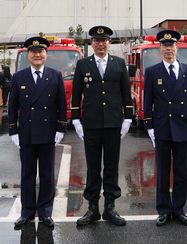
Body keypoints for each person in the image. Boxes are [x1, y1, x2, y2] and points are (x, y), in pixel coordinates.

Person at [71, 26, 133, 226]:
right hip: (91, 122)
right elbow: (76, 93)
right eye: (97, 40)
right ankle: (92, 209)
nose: (100, 44)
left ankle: (110, 208)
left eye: (104, 40)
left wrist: (128, 118)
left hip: (114, 122)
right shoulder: (83, 64)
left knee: (112, 167)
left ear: (109, 43)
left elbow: (125, 92)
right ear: (92, 43)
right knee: (93, 167)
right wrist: (76, 119)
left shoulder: (119, 63)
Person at [8, 36, 67, 229]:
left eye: (41, 52)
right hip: (27, 132)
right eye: (33, 52)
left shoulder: (55, 75)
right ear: (28, 55)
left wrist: (61, 127)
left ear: (46, 54)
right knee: (27, 174)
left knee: (48, 174)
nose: (37, 55)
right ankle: (27, 212)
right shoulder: (19, 77)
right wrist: (13, 130)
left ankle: (45, 212)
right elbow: (12, 106)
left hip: (48, 131)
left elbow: (61, 105)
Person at [143, 30, 187, 227]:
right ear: (160, 48)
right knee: (163, 170)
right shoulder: (151, 72)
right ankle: (164, 209)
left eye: (172, 45)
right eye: (165, 46)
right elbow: (147, 101)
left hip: (183, 125)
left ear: (177, 48)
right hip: (162, 127)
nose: (168, 49)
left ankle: (180, 209)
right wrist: (149, 125)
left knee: (182, 170)